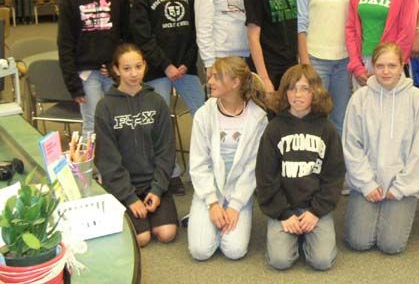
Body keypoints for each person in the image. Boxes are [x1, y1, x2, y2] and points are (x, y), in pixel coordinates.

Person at [130, 0, 205, 195]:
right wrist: (166, 66)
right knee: (160, 123)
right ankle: (170, 172)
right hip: (157, 70)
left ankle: (203, 169)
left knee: (205, 115)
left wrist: (184, 63)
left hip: (186, 68)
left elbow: (195, 29)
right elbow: (142, 36)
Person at [343, 42, 419, 254]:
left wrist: (400, 188)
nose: (385, 71)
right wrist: (367, 184)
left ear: (403, 64)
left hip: (402, 186)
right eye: (380, 65)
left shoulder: (416, 99)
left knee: (391, 245)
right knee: (359, 242)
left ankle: (392, 208)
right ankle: (373, 208)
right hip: (368, 183)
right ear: (372, 66)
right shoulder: (360, 98)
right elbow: (351, 145)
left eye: (392, 65)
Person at [255, 64, 345, 270]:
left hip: (315, 208)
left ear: (316, 92)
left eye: (305, 88)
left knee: (322, 262)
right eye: (292, 88)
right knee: (280, 261)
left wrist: (316, 211)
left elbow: (334, 176)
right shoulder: (274, 129)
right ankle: (296, 234)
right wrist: (283, 214)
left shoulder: (327, 129)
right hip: (283, 207)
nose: (297, 94)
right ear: (284, 93)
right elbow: (265, 177)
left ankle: (307, 234)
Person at [95, 43, 177, 247]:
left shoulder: (157, 102)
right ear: (116, 70)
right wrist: (130, 198)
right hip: (123, 185)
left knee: (166, 233)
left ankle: (153, 207)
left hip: (153, 182)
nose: (134, 74)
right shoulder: (105, 106)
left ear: (145, 66)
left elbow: (166, 151)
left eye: (138, 67)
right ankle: (132, 210)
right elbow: (107, 159)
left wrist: (158, 189)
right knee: (141, 239)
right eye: (127, 68)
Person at [187, 57, 268, 261]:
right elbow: (198, 164)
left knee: (234, 250)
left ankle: (221, 217)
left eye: (217, 77)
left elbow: (253, 167)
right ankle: (200, 214)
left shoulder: (258, 118)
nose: (210, 81)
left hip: (239, 188)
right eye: (211, 76)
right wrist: (212, 203)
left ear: (235, 83)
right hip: (210, 187)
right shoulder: (204, 115)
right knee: (200, 251)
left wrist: (235, 205)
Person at [58, 0, 130, 134]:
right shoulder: (70, 0)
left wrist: (116, 67)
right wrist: (73, 86)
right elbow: (65, 44)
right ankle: (92, 165)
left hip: (112, 72)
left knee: (119, 123)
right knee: (93, 126)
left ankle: (116, 164)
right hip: (87, 75)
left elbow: (126, 37)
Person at [295, 0, 355, 134]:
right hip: (316, 59)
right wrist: (305, 64)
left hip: (344, 61)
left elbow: (355, 24)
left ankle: (336, 164)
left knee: (340, 119)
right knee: (315, 116)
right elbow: (301, 25)